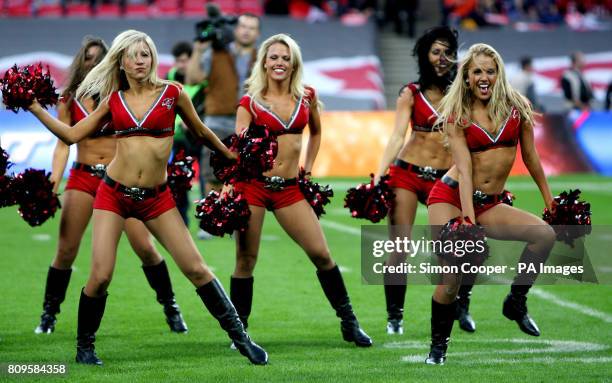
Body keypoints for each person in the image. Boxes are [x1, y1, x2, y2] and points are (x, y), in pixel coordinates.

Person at [27, 30, 267, 366]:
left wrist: (231, 156)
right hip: (113, 194)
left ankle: (242, 340)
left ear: (153, 58)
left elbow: (200, 131)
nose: (140, 61)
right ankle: (84, 347)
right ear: (121, 62)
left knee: (196, 268)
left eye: (146, 54)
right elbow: (71, 135)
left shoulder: (172, 93)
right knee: (101, 275)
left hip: (157, 199)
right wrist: (36, 107)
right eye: (133, 55)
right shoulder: (114, 100)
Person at [36, 36, 187, 336]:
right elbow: (63, 144)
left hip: (121, 182)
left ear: (110, 62)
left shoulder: (121, 95)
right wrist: (54, 181)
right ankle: (48, 315)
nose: (92, 62)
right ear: (81, 61)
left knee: (145, 247)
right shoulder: (69, 98)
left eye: (98, 57)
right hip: (83, 177)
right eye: (88, 57)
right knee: (66, 249)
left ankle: (170, 306)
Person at [229, 33, 372, 348]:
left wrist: (306, 167)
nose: (279, 63)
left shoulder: (306, 96)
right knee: (246, 259)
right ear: (264, 62)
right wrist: (230, 187)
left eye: (285, 57)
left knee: (321, 254)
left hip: (290, 189)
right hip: (252, 186)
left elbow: (317, 133)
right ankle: (240, 332)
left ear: (293, 63)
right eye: (274, 57)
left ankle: (349, 323)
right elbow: (237, 149)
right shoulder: (249, 101)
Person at [425, 43, 556, 365]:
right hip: (451, 199)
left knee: (544, 235)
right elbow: (465, 172)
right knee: (451, 279)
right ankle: (438, 347)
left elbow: (531, 157)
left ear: (499, 75)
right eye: (477, 72)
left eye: (490, 71)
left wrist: (549, 199)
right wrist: (468, 224)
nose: (484, 77)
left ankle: (516, 301)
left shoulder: (517, 107)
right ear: (467, 78)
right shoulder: (458, 115)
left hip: (490, 202)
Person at [374, 26, 460, 335]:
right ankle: (394, 315)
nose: (442, 58)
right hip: (407, 174)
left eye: (448, 52)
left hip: (447, 180)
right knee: (399, 247)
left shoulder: (461, 91)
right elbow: (397, 135)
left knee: (455, 248)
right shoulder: (411, 92)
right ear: (425, 54)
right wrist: (379, 176)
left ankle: (459, 306)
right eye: (436, 51)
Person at [186, 11, 260, 196]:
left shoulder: (262, 57)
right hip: (217, 125)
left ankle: (237, 225)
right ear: (235, 30)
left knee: (246, 185)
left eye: (251, 28)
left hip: (249, 129)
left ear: (257, 34)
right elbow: (192, 79)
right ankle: (210, 224)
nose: (246, 31)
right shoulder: (215, 52)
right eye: (243, 26)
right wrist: (198, 49)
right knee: (213, 179)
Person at [166, 41, 207, 225]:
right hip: (178, 139)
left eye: (185, 60)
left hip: (200, 138)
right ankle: (181, 220)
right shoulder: (170, 77)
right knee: (178, 180)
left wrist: (192, 121)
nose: (182, 65)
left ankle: (208, 220)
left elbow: (207, 108)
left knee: (207, 178)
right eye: (178, 61)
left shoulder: (204, 80)